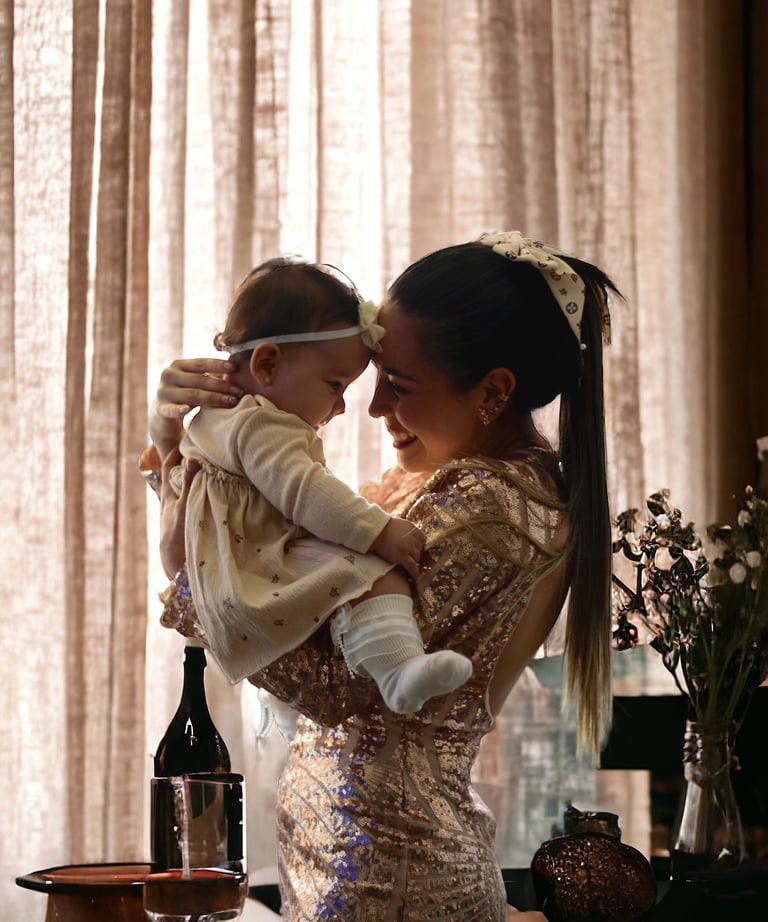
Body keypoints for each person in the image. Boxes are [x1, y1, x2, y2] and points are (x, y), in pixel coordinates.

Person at [150, 231, 618, 922]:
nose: (368, 409)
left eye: (396, 385)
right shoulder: (444, 488)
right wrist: (189, 441)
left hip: (395, 881)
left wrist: (192, 580)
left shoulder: (492, 509)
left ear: (493, 392)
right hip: (366, 867)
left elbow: (338, 687)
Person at [150, 256, 473, 715]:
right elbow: (305, 490)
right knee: (367, 571)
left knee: (345, 576)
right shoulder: (261, 423)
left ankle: (389, 671)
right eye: (335, 384)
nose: (342, 407)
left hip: (233, 559)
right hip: (253, 559)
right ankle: (398, 668)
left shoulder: (220, 417)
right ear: (267, 364)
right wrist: (379, 530)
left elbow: (181, 480)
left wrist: (163, 438)